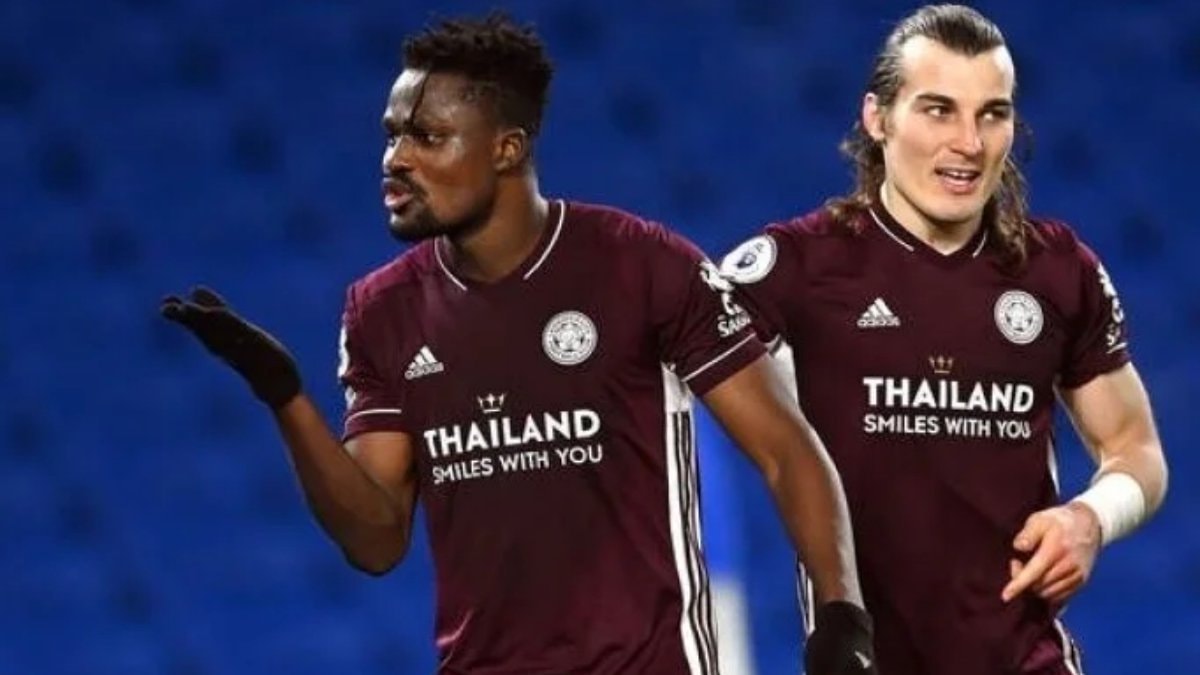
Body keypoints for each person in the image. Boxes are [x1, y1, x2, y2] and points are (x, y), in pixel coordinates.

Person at [162, 13, 876, 675]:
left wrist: (842, 610)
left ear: (507, 149)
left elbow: (786, 449)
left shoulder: (640, 264)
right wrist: (285, 396)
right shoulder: (380, 311)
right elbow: (376, 541)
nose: (395, 158)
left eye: (427, 137)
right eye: (392, 134)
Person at [720, 5, 1168, 674]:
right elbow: (643, 389)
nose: (969, 143)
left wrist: (1091, 519)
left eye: (992, 114)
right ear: (878, 118)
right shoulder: (795, 269)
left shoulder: (1058, 271)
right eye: (938, 111)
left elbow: (1137, 450)